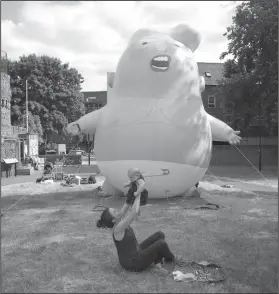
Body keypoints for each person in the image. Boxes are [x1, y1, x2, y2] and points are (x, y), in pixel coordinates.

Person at [96, 194, 184, 272]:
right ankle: (170, 260)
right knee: (161, 244)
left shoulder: (119, 220)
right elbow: (134, 212)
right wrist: (138, 195)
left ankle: (156, 263)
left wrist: (133, 191)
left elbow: (126, 205)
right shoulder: (118, 229)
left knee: (160, 235)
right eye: (115, 211)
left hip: (137, 252)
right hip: (133, 263)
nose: (117, 210)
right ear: (113, 220)